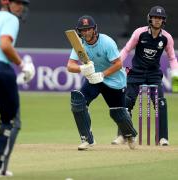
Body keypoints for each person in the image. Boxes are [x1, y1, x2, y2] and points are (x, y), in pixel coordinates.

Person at [67, 15, 137, 151]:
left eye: (89, 29)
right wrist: (82, 68)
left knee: (117, 113)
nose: (86, 32)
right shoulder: (79, 44)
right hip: (94, 80)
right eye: (83, 30)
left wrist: (103, 74)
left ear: (94, 29)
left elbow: (118, 64)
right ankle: (87, 139)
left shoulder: (107, 42)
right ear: (79, 31)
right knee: (78, 100)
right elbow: (70, 66)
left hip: (114, 80)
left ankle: (130, 134)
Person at [111, 6, 178, 146]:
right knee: (127, 102)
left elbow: (172, 58)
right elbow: (127, 49)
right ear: (150, 18)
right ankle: (123, 135)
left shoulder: (166, 37)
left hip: (154, 73)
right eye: (155, 17)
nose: (157, 20)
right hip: (136, 72)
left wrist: (175, 73)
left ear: (163, 20)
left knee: (161, 103)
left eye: (160, 18)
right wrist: (117, 64)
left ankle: (162, 138)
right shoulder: (139, 33)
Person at [0, 0, 35, 177]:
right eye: (17, 2)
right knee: (11, 122)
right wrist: (22, 65)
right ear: (7, 2)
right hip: (2, 71)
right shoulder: (11, 19)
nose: (20, 7)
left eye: (22, 3)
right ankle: (0, 165)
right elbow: (5, 44)